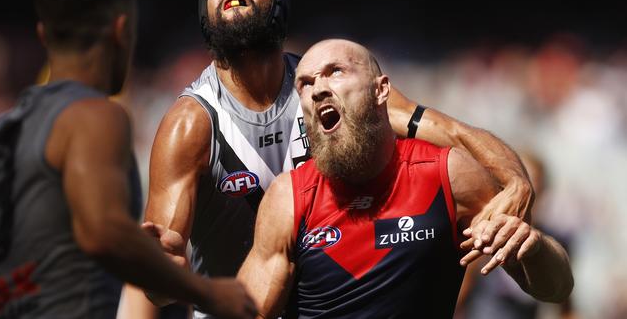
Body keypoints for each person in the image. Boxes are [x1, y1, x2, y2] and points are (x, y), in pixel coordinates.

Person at [125, 0, 534, 316]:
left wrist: (516, 180)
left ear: (279, 2)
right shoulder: (191, 124)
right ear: (206, 15)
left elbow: (453, 133)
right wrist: (161, 275)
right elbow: (159, 280)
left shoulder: (329, 87)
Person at [0, 0, 256, 318]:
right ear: (121, 31)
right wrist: (209, 292)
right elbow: (102, 233)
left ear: (44, 34)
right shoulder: (94, 115)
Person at [237, 38, 574, 318]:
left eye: (334, 72)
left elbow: (556, 289)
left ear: (381, 90)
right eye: (305, 83)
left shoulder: (447, 175)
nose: (317, 89)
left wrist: (534, 246)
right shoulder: (290, 196)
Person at [455, 152, 578, 319]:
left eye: (533, 189)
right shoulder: (484, 233)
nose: (523, 199)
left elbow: (564, 301)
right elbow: (460, 293)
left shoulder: (552, 243)